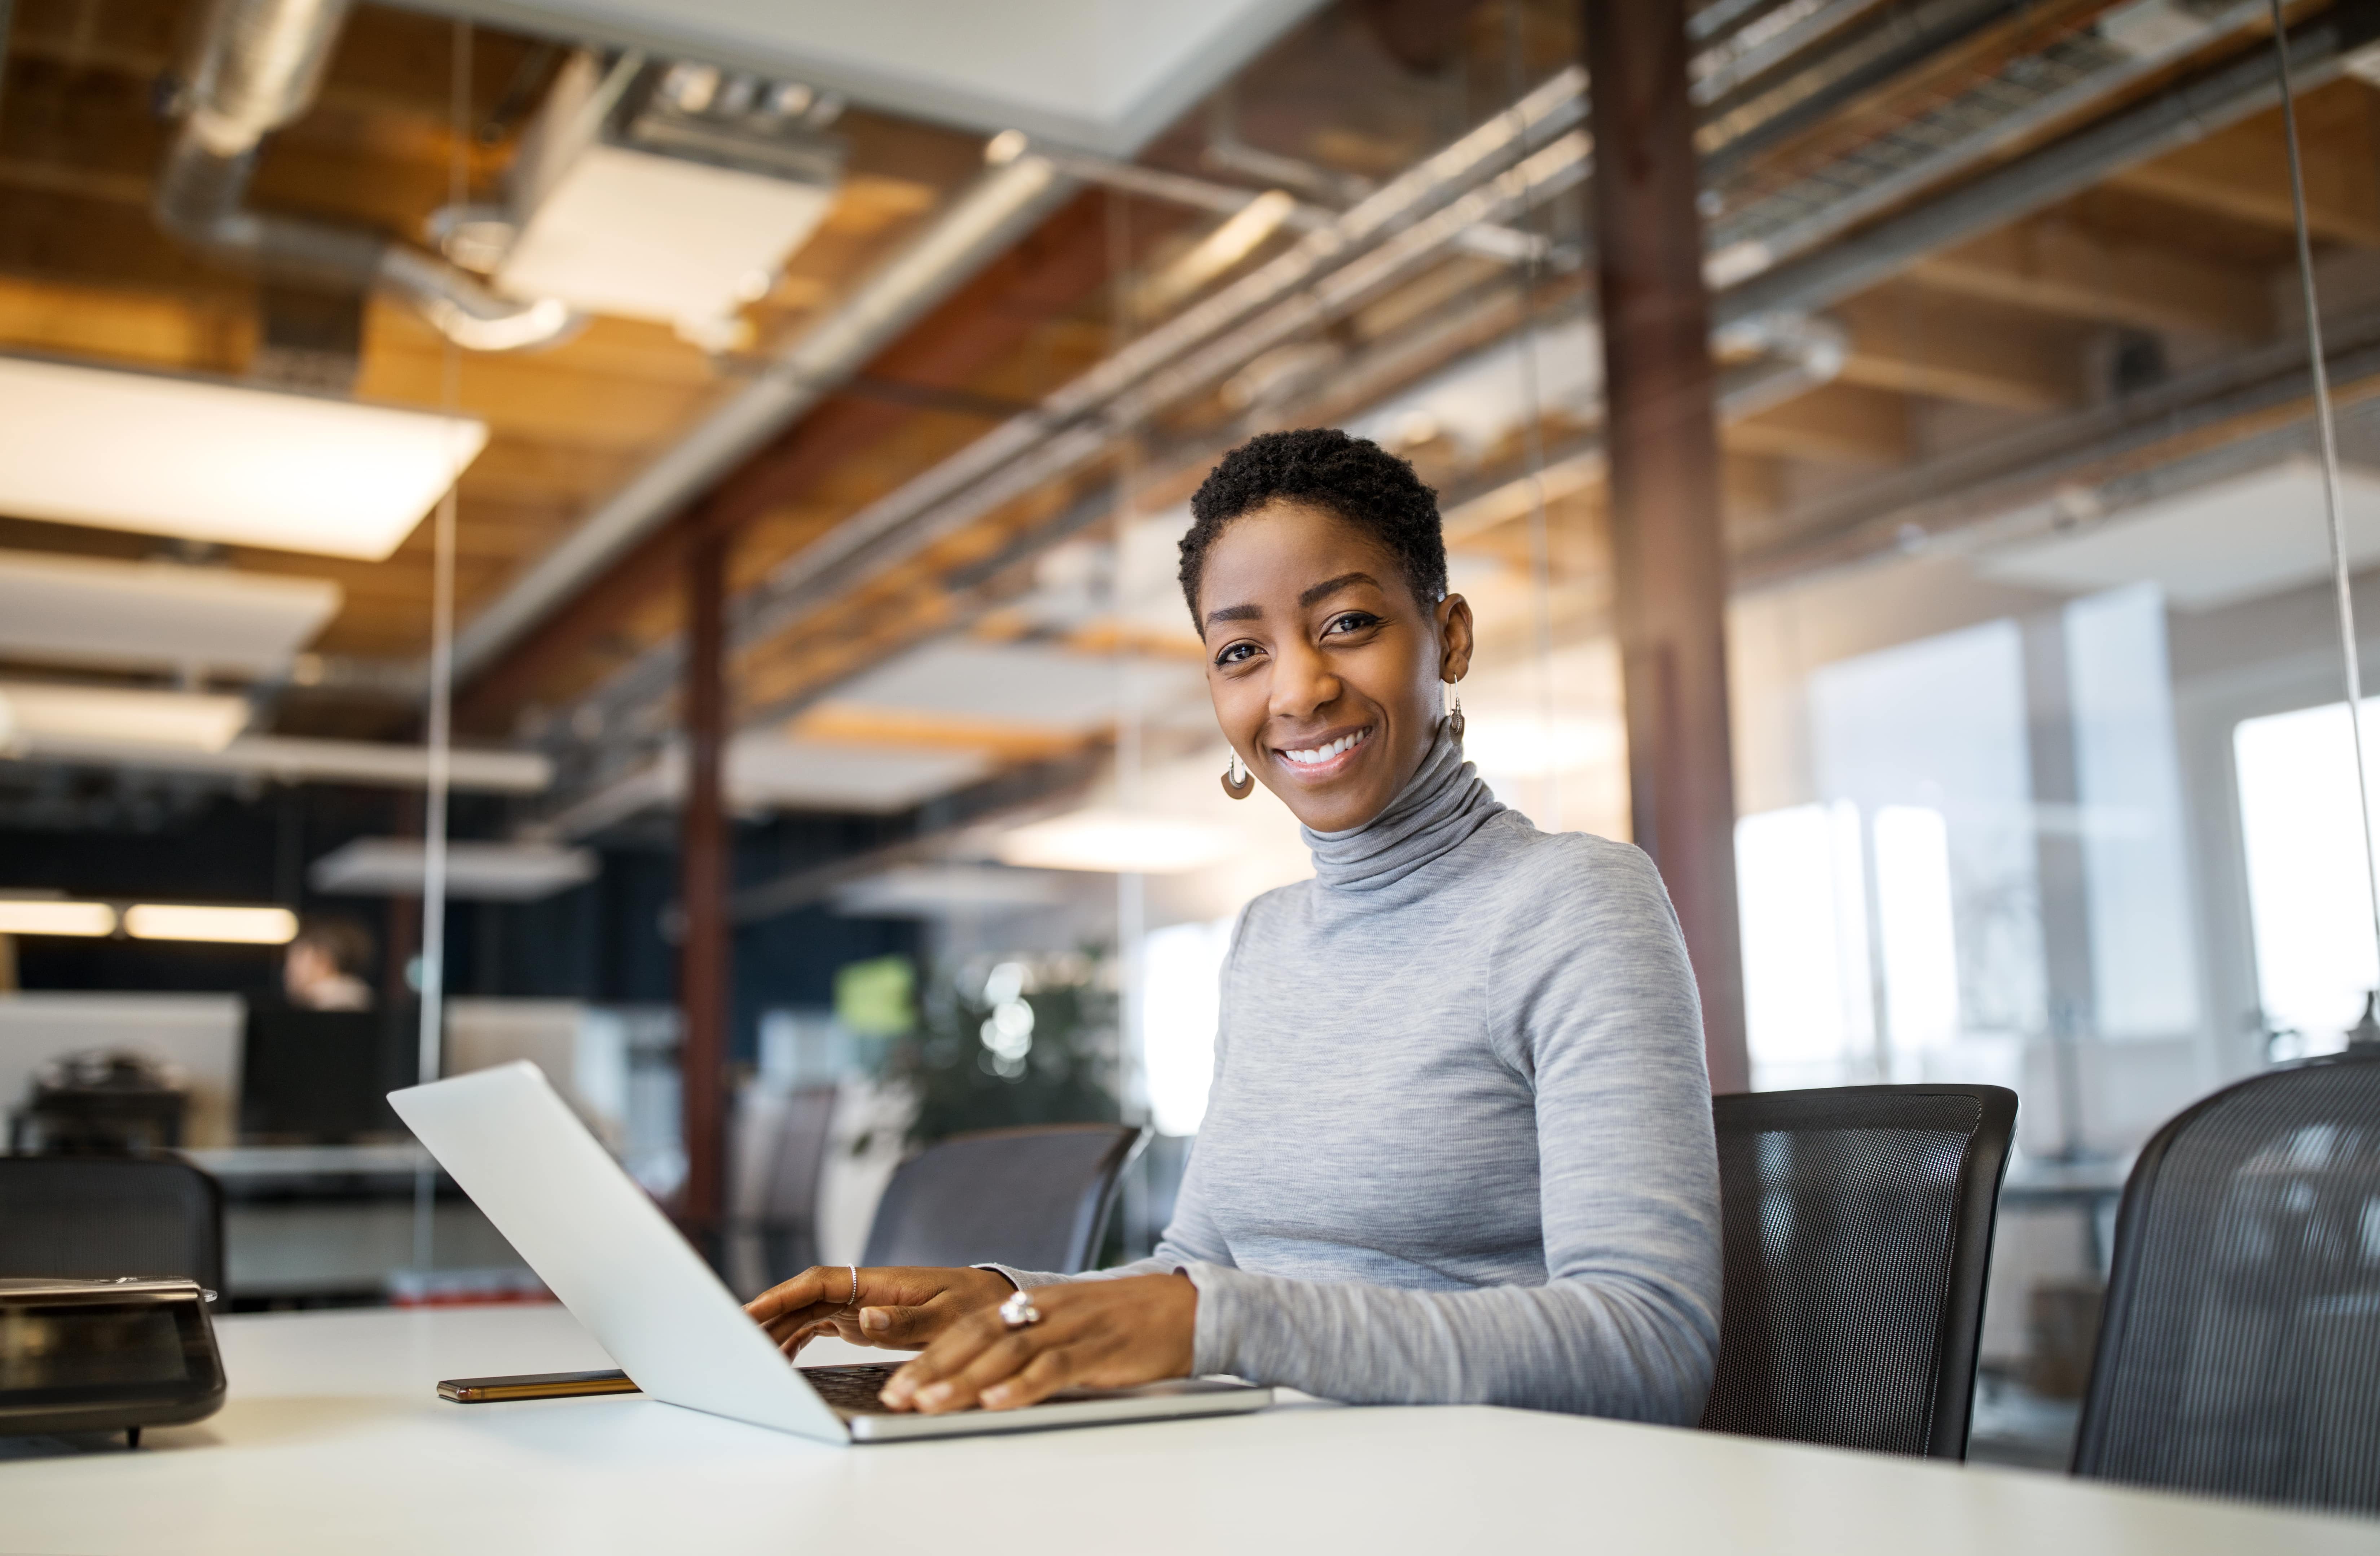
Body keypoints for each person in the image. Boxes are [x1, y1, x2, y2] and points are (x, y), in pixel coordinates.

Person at [747, 428, 1721, 1422]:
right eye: (1241, 651)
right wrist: (1012, 1302)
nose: (1296, 690)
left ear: (1449, 636)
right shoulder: (1265, 938)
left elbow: (1650, 1342)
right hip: (1263, 1471)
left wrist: (1224, 1324)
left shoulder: (1573, 903)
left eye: (1345, 623)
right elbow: (1199, 1270)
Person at [282, 915, 376, 1011]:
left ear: (322, 959)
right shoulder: (366, 1001)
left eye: (297, 957)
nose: (289, 970)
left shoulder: (328, 1007)